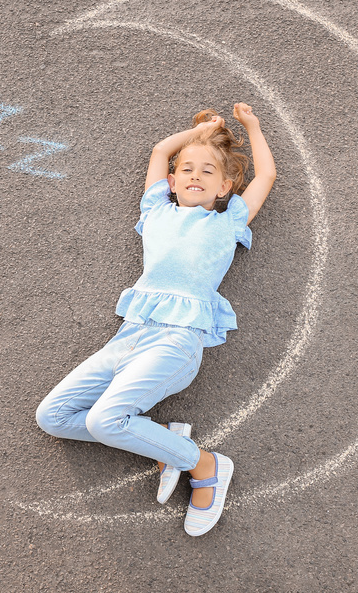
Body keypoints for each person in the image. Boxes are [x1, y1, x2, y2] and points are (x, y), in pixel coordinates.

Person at [35, 103, 276, 536]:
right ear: (172, 180)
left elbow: (266, 178)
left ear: (224, 187)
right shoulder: (156, 211)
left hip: (176, 342)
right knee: (53, 417)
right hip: (129, 338)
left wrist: (253, 127)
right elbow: (159, 151)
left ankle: (205, 466)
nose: (195, 175)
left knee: (103, 420)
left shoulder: (228, 221)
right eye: (187, 169)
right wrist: (200, 131)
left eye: (208, 171)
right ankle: (165, 438)